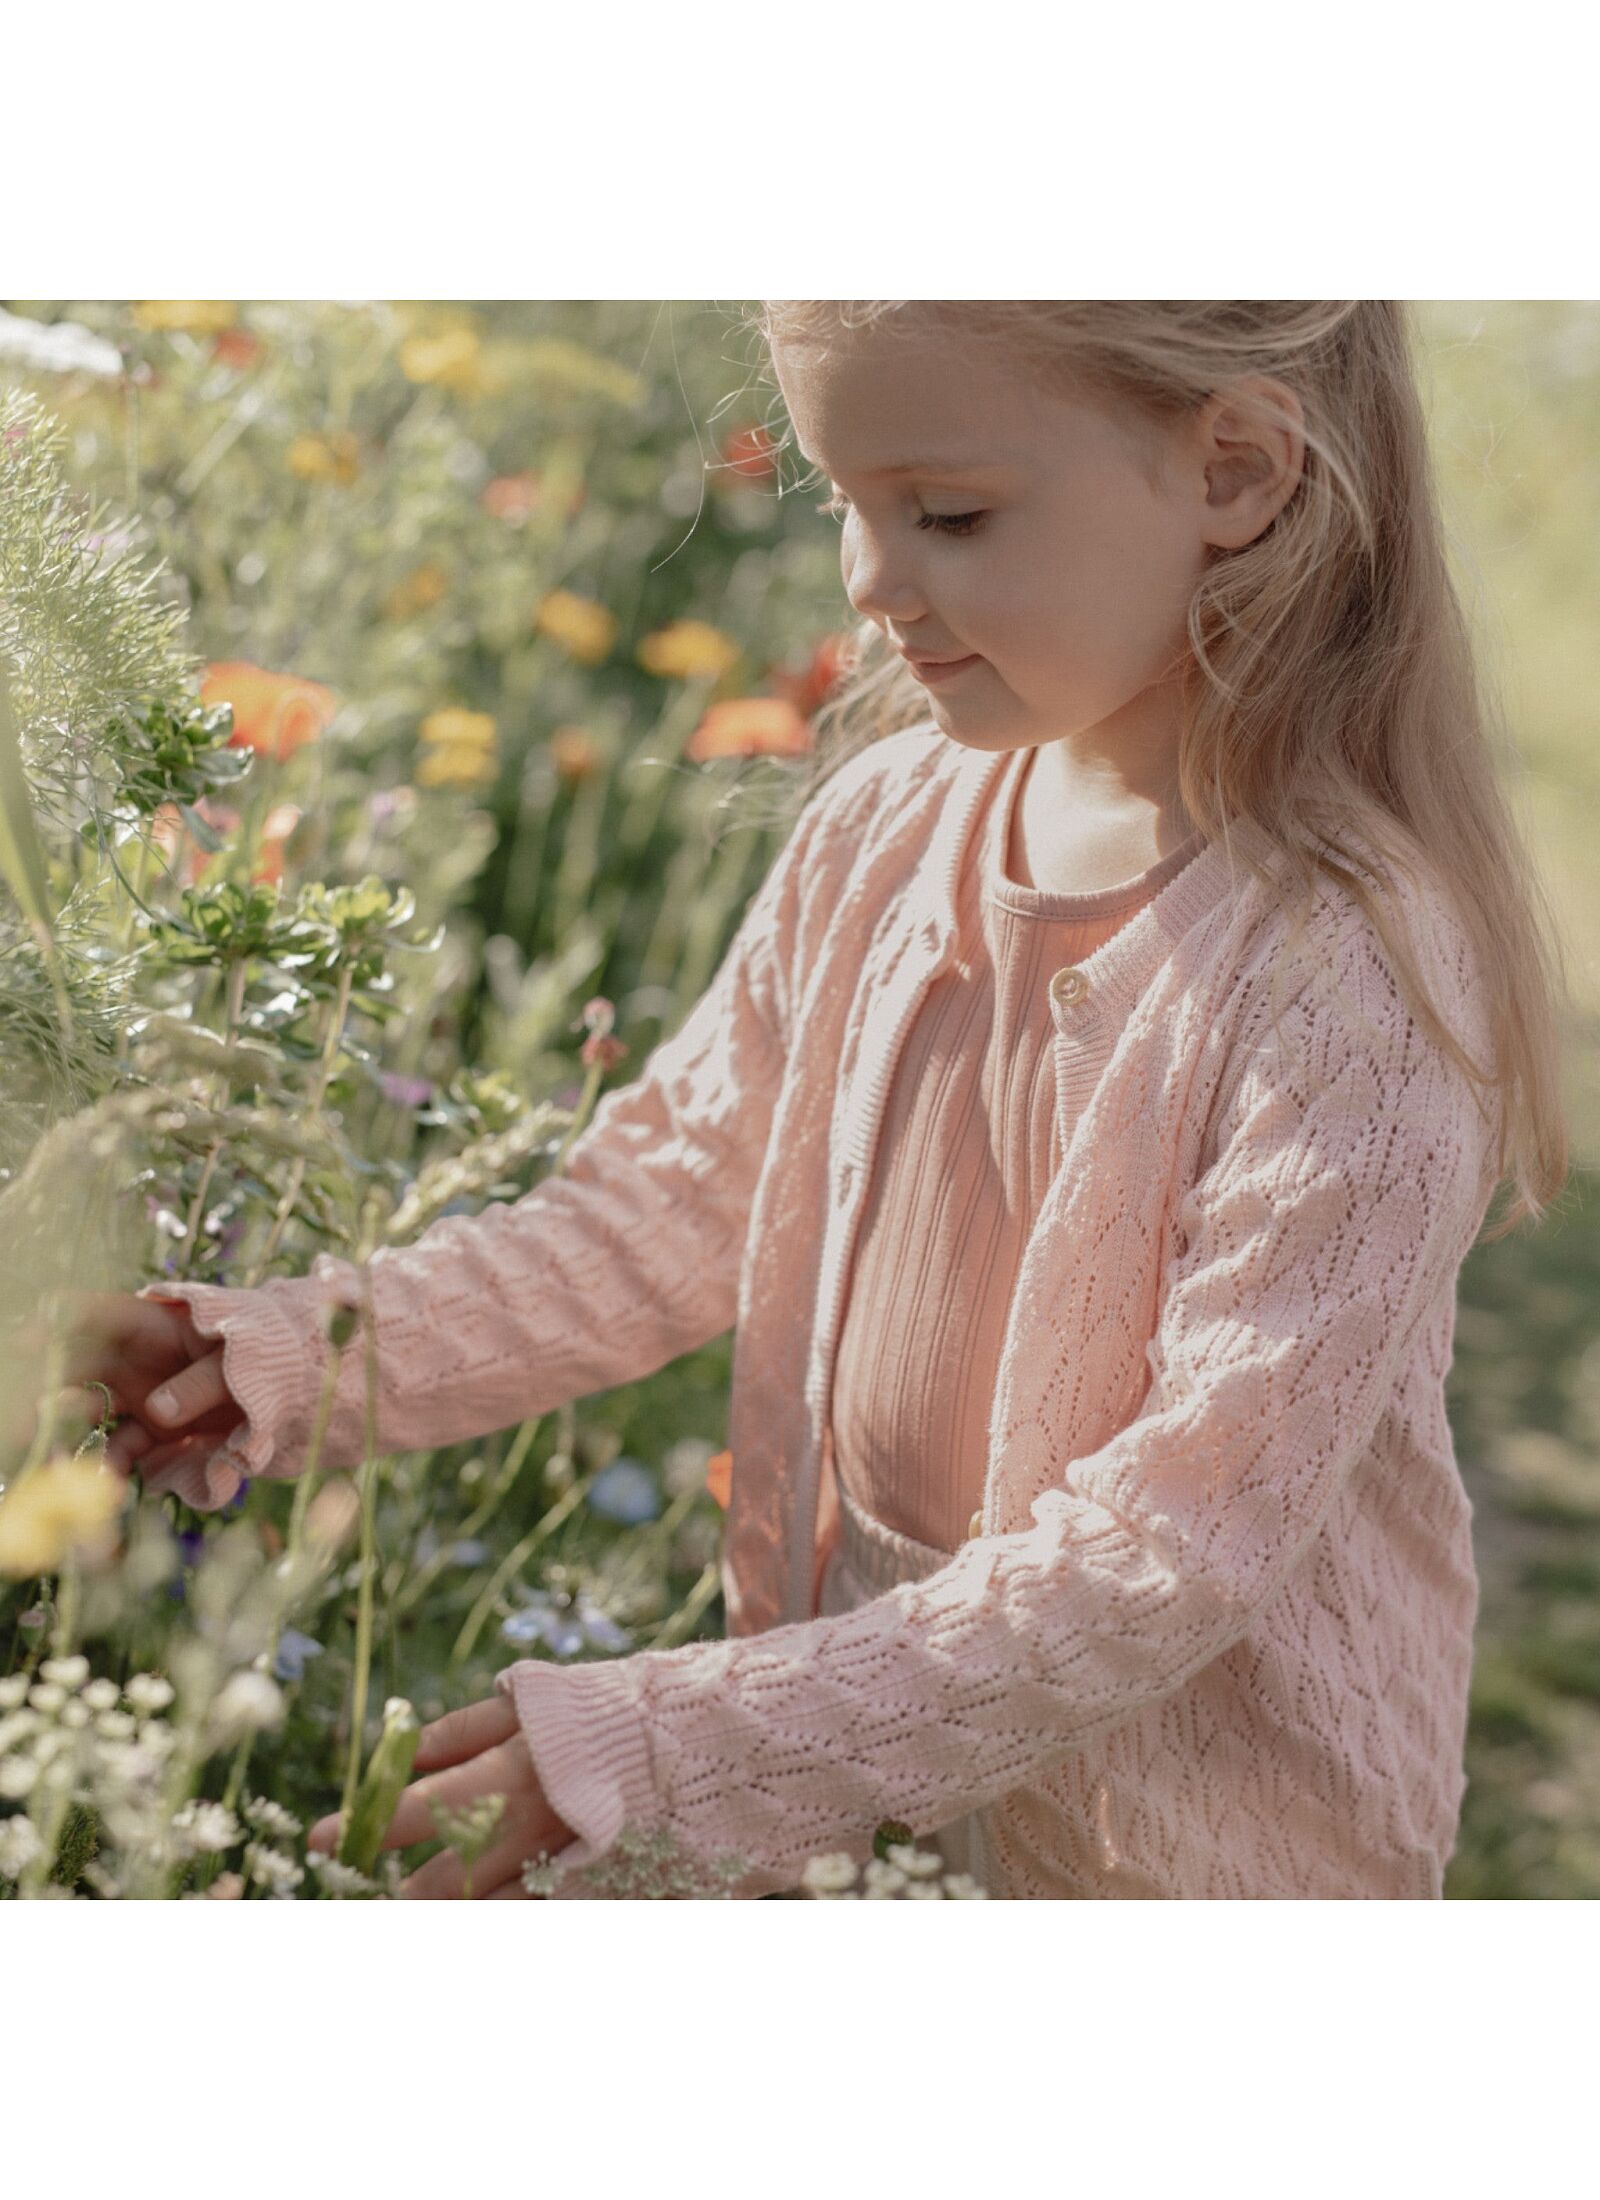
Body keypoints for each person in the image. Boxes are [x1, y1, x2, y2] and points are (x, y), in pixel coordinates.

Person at [48, 301, 1570, 1898]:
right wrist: (289, 1354)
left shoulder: (1353, 974)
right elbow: (653, 1214)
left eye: (949, 514)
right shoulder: (884, 831)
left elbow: (1166, 1552)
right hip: (865, 1787)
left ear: (1238, 470)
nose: (867, 576)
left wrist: (674, 1742)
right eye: (842, 498)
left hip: (1193, 1863)